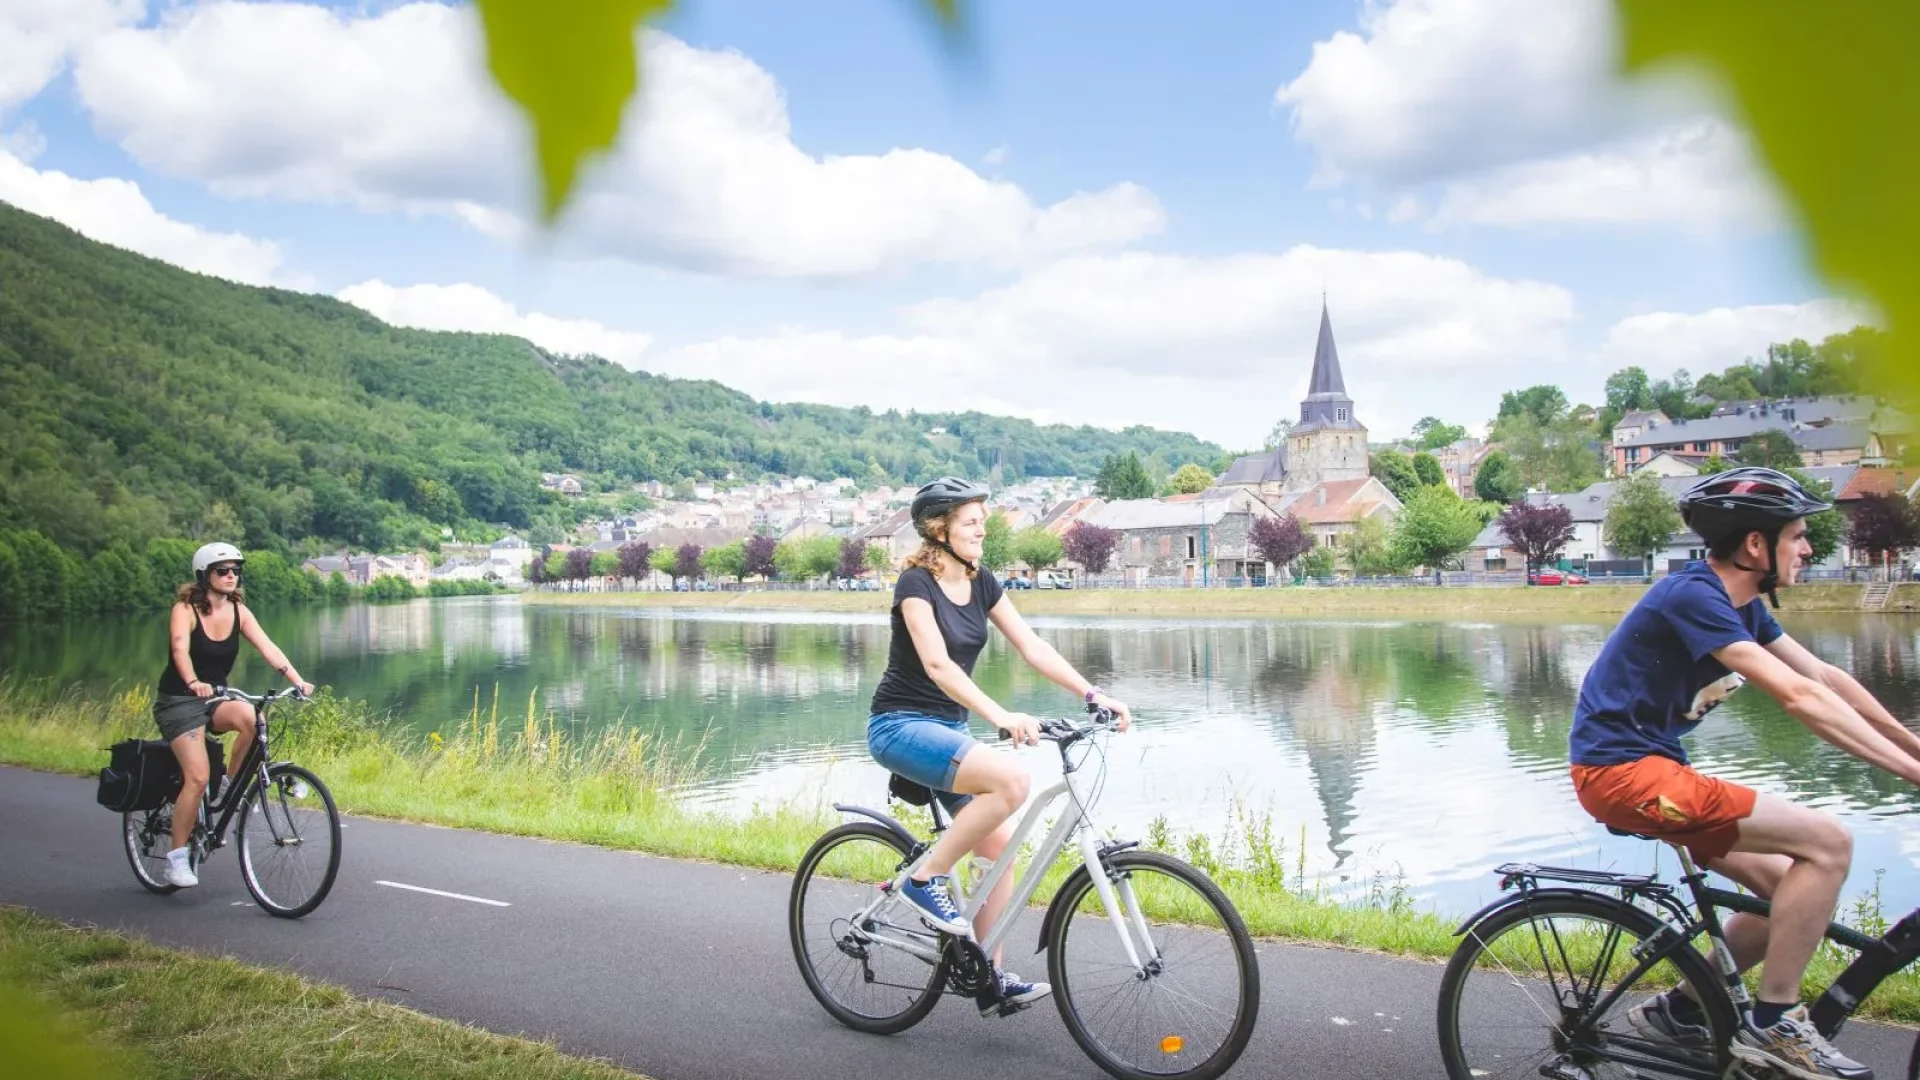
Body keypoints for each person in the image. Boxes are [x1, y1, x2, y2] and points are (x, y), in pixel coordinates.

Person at [1568, 467, 1920, 1080]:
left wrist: (1913, 752)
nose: (1809, 549)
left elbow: (1827, 681)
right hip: (1623, 774)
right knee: (1828, 842)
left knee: (1787, 887)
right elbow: (1797, 698)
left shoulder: (1743, 607)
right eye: (1799, 535)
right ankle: (1775, 1024)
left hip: (1654, 771)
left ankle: (1681, 1010)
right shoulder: (1693, 596)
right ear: (1755, 544)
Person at [867, 477, 1133, 1016]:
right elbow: (938, 665)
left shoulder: (982, 581)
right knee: (1013, 781)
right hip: (899, 725)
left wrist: (1092, 692)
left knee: (1000, 846)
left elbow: (1031, 645)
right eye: (970, 522)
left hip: (949, 732)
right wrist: (1002, 715)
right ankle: (924, 878)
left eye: (982, 521)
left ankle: (986, 974)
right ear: (938, 530)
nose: (982, 529)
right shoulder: (915, 585)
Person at [153, 542, 313, 888]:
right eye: (222, 571)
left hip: (216, 698)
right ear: (204, 575)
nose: (230, 576)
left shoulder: (239, 610)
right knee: (196, 777)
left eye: (235, 571)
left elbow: (267, 646)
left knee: (255, 721)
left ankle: (228, 782)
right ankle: (176, 860)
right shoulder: (185, 608)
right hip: (179, 701)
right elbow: (180, 647)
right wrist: (193, 681)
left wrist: (297, 680)